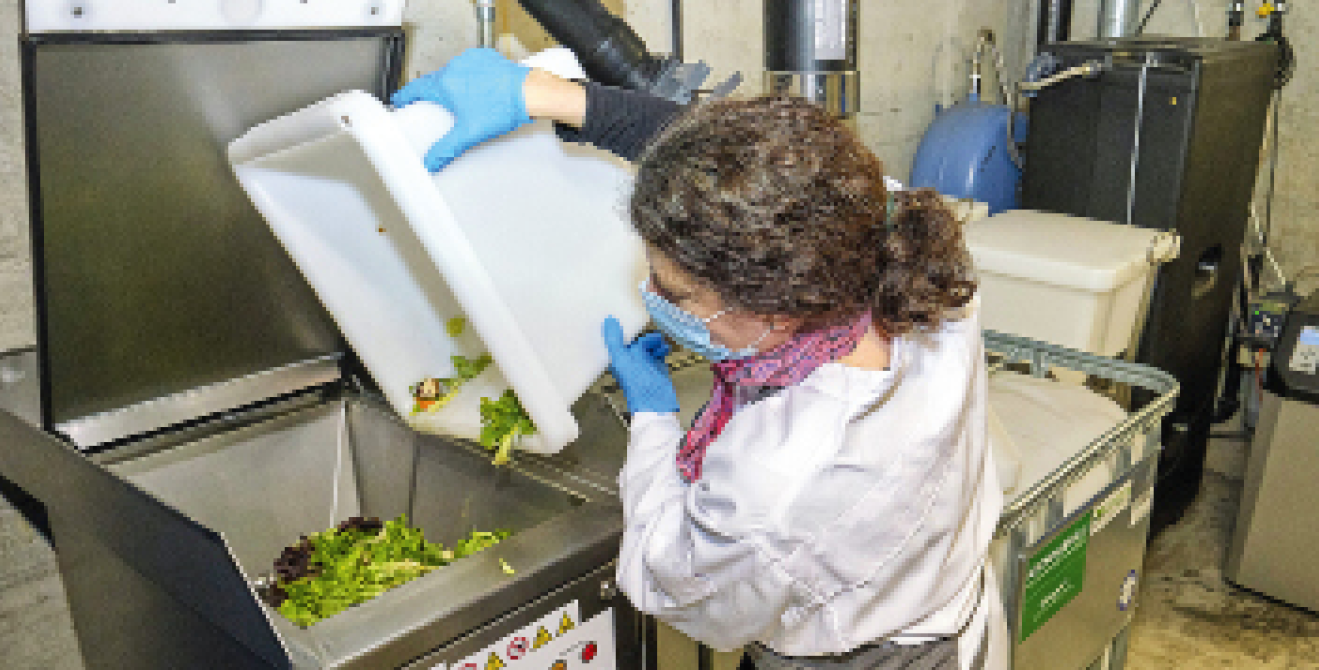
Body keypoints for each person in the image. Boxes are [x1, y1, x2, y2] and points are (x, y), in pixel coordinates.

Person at [393, 48, 1008, 670]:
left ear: (775, 309)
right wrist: (548, 95)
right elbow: (754, 181)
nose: (650, 295)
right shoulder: (901, 248)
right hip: (951, 604)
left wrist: (653, 420)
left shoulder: (780, 479)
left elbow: (667, 576)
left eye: (677, 293)